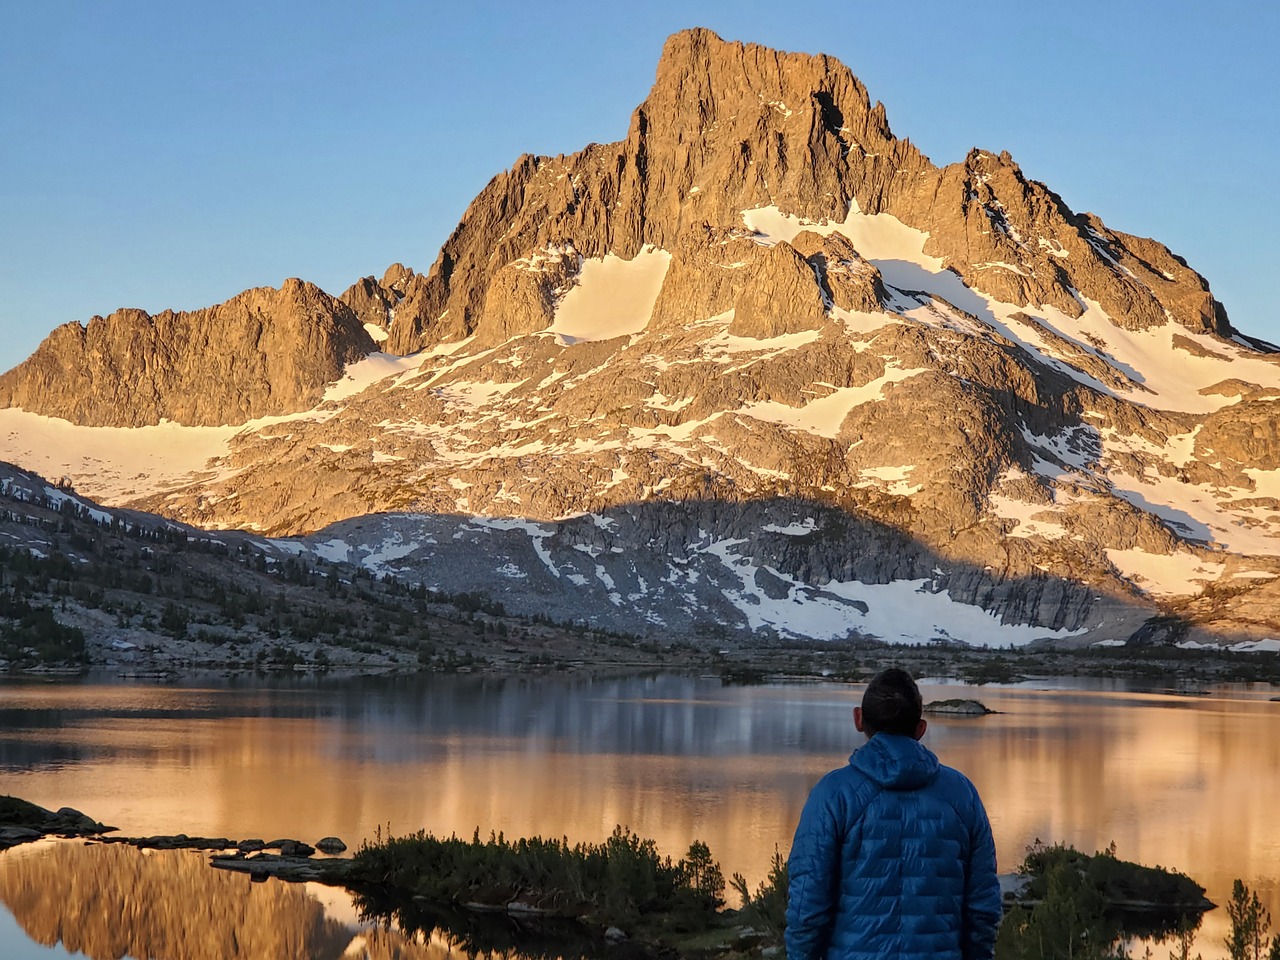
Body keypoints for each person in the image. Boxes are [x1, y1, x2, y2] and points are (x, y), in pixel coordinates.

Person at [785, 668, 1002, 960]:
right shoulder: (962, 795)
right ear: (920, 729)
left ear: (858, 719)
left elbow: (807, 908)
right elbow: (982, 908)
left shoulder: (832, 794)